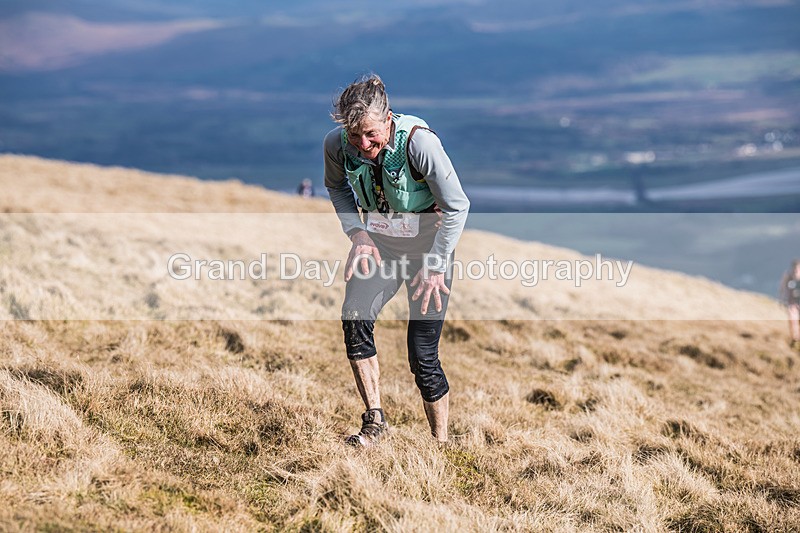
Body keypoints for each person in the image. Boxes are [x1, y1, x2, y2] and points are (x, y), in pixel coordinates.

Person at [324, 74, 470, 447]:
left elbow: (457, 205)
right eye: (355, 135)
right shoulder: (337, 145)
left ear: (388, 119)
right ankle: (374, 421)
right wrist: (356, 234)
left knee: (422, 355)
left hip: (428, 249)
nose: (363, 144)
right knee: (354, 318)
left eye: (371, 134)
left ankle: (439, 443)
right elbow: (337, 187)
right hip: (380, 245)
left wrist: (436, 264)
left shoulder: (420, 144)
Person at [779, 259, 800, 351]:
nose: (796, 270)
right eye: (795, 268)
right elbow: (783, 288)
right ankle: (795, 339)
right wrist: (782, 299)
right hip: (792, 302)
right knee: (793, 320)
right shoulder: (788, 276)